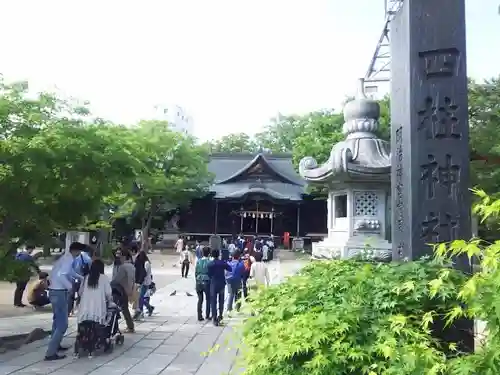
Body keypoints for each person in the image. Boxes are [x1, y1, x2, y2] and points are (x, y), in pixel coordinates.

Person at [45, 242, 83, 361]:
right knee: (63, 324)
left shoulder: (65, 258)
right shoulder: (69, 259)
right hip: (60, 292)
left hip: (53, 291)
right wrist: (70, 287)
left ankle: (56, 344)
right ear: (76, 251)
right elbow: (62, 276)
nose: (79, 255)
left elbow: (68, 272)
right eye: (79, 252)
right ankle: (50, 353)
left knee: (57, 321)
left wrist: (80, 277)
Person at [77, 259, 112, 326]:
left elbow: (80, 292)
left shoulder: (86, 278)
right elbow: (108, 293)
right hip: (98, 310)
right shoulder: (104, 278)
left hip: (85, 310)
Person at [111, 249, 135, 332]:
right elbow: (132, 279)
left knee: (117, 308)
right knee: (125, 308)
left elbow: (117, 279)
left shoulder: (123, 267)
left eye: (120, 255)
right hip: (128, 289)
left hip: (121, 290)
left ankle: (116, 327)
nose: (119, 257)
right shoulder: (131, 266)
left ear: (124, 256)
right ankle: (130, 326)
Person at [207, 248, 231, 326]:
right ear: (219, 254)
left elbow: (209, 274)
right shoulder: (222, 263)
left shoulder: (210, 264)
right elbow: (230, 269)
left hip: (213, 284)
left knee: (213, 302)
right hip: (221, 284)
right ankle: (220, 315)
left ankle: (214, 318)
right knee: (221, 301)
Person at [69, 248, 92, 315]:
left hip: (73, 278)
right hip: (83, 278)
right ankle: (79, 308)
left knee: (71, 294)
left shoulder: (74, 257)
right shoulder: (88, 258)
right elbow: (90, 269)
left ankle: (70, 310)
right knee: (81, 294)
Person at [133, 251, 154, 319]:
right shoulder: (146, 262)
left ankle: (143, 310)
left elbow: (143, 273)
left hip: (145, 282)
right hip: (144, 282)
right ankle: (149, 308)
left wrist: (139, 281)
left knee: (140, 297)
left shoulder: (146, 263)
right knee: (140, 297)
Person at [225, 250, 245, 315]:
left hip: (229, 281)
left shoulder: (228, 263)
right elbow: (243, 273)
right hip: (238, 280)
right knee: (238, 294)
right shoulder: (241, 264)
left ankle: (229, 309)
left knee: (231, 294)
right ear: (239, 257)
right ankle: (238, 308)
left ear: (232, 256)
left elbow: (226, 273)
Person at [195, 246, 212, 321]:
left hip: (198, 281)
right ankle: (207, 315)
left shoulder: (198, 261)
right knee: (208, 299)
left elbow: (196, 272)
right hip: (206, 281)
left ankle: (199, 315)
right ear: (209, 253)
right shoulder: (209, 262)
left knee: (200, 299)